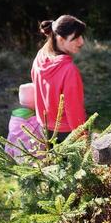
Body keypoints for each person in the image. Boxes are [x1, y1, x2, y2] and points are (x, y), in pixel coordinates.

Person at [31, 15, 88, 143]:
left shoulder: (40, 57)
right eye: (76, 38)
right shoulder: (69, 70)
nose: (81, 42)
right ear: (61, 40)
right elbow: (74, 110)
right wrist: (83, 137)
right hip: (68, 134)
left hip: (44, 130)